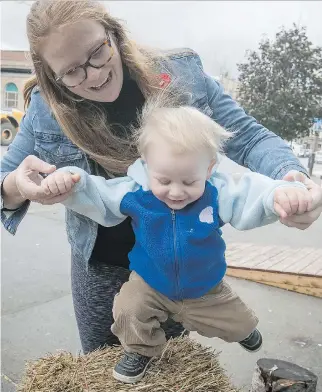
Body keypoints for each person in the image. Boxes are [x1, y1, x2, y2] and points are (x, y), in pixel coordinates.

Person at [1, 0, 321, 356]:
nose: (93, 74)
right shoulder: (46, 112)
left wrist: (292, 180)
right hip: (100, 271)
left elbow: (250, 137)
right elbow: (5, 178)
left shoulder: (183, 76)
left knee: (172, 363)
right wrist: (15, 186)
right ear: (51, 74)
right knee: (102, 364)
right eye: (72, 71)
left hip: (184, 264)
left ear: (114, 34)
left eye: (97, 52)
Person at [41, 102, 311, 383]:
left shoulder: (218, 192)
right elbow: (98, 194)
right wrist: (72, 183)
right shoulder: (135, 191)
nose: (176, 191)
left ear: (208, 169)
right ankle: (140, 350)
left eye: (188, 181)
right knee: (128, 309)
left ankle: (244, 331)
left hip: (205, 287)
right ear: (147, 165)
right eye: (164, 180)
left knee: (237, 322)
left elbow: (252, 193)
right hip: (150, 283)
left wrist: (281, 193)